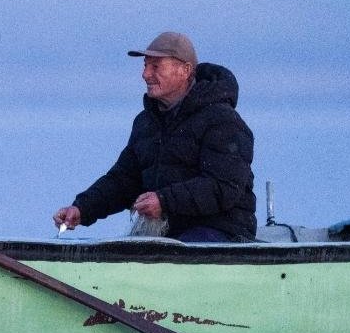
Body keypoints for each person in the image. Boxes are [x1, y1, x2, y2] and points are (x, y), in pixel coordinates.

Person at [53, 32, 256, 242]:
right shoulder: (146, 123)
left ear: (185, 70)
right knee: (134, 251)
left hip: (222, 233)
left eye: (156, 66)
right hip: (168, 235)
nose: (145, 74)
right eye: (145, 65)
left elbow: (223, 187)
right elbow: (124, 180)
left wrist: (164, 201)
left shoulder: (222, 120)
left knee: (178, 252)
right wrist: (82, 209)